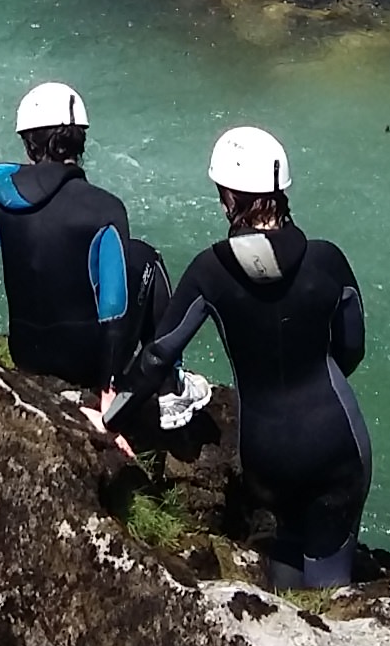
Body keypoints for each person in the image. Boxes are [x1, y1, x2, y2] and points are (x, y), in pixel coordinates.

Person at [100, 126, 369, 590]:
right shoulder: (328, 261)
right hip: (335, 440)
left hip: (264, 452)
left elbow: (159, 355)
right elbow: (352, 346)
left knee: (285, 548)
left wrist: (112, 417)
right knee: (330, 584)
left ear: (229, 197)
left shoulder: (210, 270)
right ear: (280, 190)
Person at [0, 83, 174, 398]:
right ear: (81, 142)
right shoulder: (105, 207)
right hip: (87, 364)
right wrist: (105, 392)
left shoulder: (1, 198)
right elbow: (113, 306)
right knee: (145, 257)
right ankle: (170, 388)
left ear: (28, 144)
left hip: (28, 355)